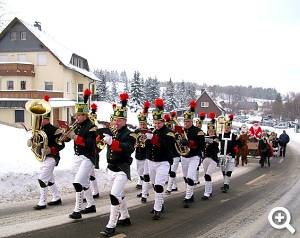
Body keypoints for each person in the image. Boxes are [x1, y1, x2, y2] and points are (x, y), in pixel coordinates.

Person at [100, 92, 136, 237]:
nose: (117, 122)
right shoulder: (112, 132)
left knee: (114, 195)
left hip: (122, 168)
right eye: (115, 119)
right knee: (119, 194)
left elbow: (128, 148)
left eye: (120, 120)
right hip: (111, 168)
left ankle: (111, 225)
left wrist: (112, 142)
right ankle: (125, 217)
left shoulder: (130, 134)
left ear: (125, 121)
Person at [27, 95, 65, 210]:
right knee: (50, 179)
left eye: (41, 118)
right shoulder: (39, 129)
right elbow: (37, 141)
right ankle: (56, 198)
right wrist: (31, 140)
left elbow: (61, 144)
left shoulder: (55, 130)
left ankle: (42, 202)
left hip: (52, 157)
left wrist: (50, 149)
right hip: (43, 157)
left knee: (42, 178)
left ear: (47, 119)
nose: (38, 120)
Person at [68, 89, 98, 220]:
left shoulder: (92, 127)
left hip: (88, 157)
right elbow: (70, 137)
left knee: (78, 182)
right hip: (78, 156)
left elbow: (89, 143)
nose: (76, 117)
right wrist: (66, 135)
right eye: (76, 115)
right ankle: (91, 205)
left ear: (85, 115)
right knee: (85, 183)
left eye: (78, 115)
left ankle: (77, 209)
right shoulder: (77, 125)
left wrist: (75, 137)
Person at [146, 98, 176, 220]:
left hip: (163, 162)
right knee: (154, 185)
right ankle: (160, 204)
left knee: (159, 185)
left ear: (163, 122)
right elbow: (148, 147)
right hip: (151, 162)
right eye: (155, 123)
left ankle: (157, 209)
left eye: (159, 123)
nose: (157, 125)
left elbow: (167, 146)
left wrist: (153, 139)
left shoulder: (169, 133)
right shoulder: (154, 131)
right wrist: (146, 141)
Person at [178, 100, 205, 208]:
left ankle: (188, 197)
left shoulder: (198, 131)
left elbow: (202, 145)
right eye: (185, 121)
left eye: (188, 121)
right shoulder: (181, 130)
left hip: (194, 156)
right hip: (184, 156)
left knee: (190, 176)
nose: (186, 123)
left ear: (191, 121)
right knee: (185, 177)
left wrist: (189, 143)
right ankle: (191, 194)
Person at [134, 101, 151, 203]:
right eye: (141, 123)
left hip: (146, 155)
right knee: (140, 172)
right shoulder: (136, 132)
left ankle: (145, 192)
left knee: (145, 173)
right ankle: (145, 188)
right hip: (138, 154)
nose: (142, 125)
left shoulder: (149, 132)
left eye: (144, 123)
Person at [219, 114, 238, 193]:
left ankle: (226, 185)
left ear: (231, 128)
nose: (227, 128)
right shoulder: (220, 135)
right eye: (226, 127)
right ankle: (225, 183)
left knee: (229, 171)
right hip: (223, 156)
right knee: (224, 171)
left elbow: (238, 144)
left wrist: (237, 144)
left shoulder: (234, 136)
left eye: (228, 127)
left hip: (231, 156)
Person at [201, 122, 219, 200]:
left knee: (208, 175)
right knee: (206, 176)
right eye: (209, 131)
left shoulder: (216, 138)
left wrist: (206, 140)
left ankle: (206, 193)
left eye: (212, 131)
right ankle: (210, 190)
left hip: (213, 159)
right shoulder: (205, 138)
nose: (210, 132)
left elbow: (215, 144)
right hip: (205, 159)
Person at [165, 111, 181, 194]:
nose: (169, 127)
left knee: (172, 171)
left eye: (170, 126)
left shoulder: (176, 134)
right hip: (169, 155)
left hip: (176, 155)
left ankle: (169, 188)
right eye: (168, 126)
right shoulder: (165, 135)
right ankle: (174, 186)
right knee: (170, 171)